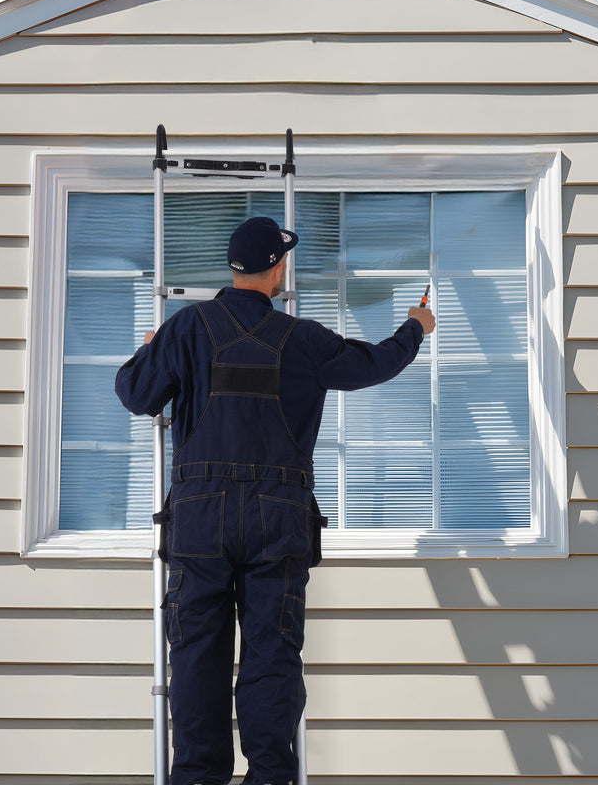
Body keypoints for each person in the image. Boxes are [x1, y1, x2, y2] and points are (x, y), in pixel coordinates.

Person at [115, 216, 436, 785]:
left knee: (196, 657)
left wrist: (149, 350)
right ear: (278, 267)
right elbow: (375, 364)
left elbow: (137, 394)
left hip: (199, 523)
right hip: (276, 523)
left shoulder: (186, 329)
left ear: (233, 269)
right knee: (271, 656)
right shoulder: (303, 340)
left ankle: (197, 776)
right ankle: (269, 774)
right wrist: (415, 326)